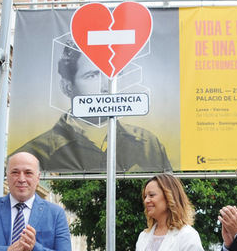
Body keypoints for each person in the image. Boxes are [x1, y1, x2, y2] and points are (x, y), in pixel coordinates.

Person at [13, 41, 172, 173]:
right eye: (92, 75)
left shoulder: (148, 144)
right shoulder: (34, 153)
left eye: (111, 75)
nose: (106, 87)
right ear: (67, 87)